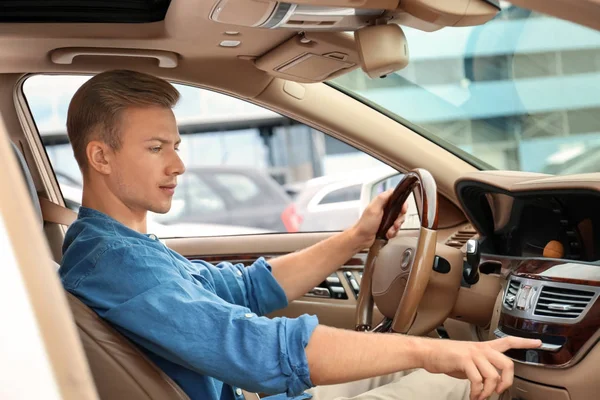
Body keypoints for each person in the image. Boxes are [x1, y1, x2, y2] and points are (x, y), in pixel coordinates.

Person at [59, 70, 541, 400]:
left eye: (176, 146)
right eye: (156, 148)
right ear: (101, 158)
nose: (178, 165)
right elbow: (259, 350)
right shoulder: (115, 264)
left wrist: (355, 237)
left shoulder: (121, 248)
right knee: (452, 380)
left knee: (428, 367)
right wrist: (434, 348)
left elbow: (244, 290)